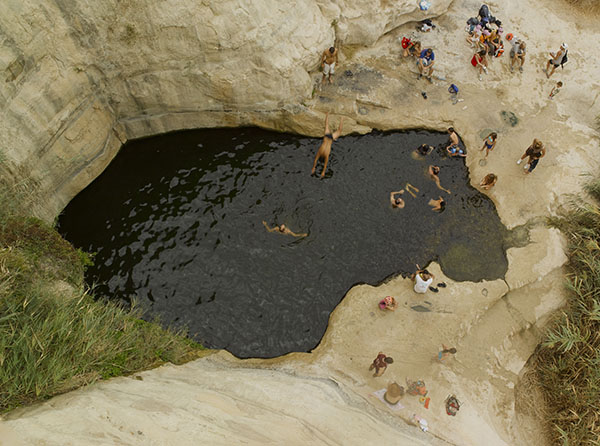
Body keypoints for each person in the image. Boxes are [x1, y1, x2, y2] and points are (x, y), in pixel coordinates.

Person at [311, 112, 344, 178]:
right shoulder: (321, 152)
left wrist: (315, 168)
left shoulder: (325, 154)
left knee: (338, 130)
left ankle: (341, 119)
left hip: (330, 139)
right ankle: (332, 116)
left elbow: (323, 162)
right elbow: (316, 159)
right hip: (327, 138)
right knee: (328, 126)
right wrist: (314, 168)